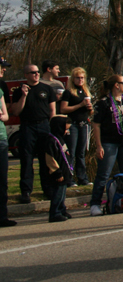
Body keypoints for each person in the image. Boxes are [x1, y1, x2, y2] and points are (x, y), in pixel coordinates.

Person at [10, 64, 57, 203]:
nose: (36, 74)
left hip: (43, 125)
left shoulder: (47, 89)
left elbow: (52, 110)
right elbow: (16, 111)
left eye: (37, 72)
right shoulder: (19, 91)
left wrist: (52, 127)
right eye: (32, 73)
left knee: (45, 159)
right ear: (26, 75)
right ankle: (26, 191)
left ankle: (47, 188)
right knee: (26, 159)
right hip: (27, 126)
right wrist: (24, 96)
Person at [89, 74, 123, 216]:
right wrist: (99, 146)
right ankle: (95, 203)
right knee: (104, 173)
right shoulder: (103, 103)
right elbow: (96, 124)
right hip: (109, 142)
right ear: (116, 85)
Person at [58, 68, 93, 187]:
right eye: (78, 78)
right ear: (73, 79)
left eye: (82, 78)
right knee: (71, 153)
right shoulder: (68, 92)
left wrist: (90, 108)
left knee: (81, 153)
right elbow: (63, 109)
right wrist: (80, 105)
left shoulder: (85, 92)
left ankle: (83, 178)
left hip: (84, 124)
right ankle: (69, 179)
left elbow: (90, 112)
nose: (80, 80)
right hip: (73, 124)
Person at [38, 115, 72, 222]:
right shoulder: (51, 141)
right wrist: (57, 172)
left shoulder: (60, 139)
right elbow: (50, 158)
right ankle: (55, 212)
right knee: (57, 194)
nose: (67, 131)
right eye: (65, 129)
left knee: (62, 193)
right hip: (58, 174)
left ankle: (62, 209)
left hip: (65, 172)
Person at [0, 57, 17, 227]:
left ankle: (2, 216)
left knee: (2, 180)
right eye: (1, 67)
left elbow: (6, 115)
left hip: (1, 139)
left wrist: (2, 116)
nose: (4, 69)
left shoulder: (1, 87)